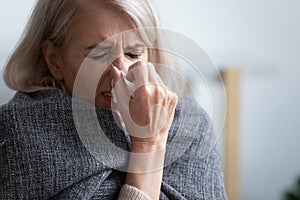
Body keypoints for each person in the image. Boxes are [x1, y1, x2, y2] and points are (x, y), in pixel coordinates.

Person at [0, 0, 227, 199]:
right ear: (54, 60)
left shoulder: (191, 129)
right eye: (98, 54)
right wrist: (149, 144)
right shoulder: (16, 133)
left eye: (133, 54)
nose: (120, 73)